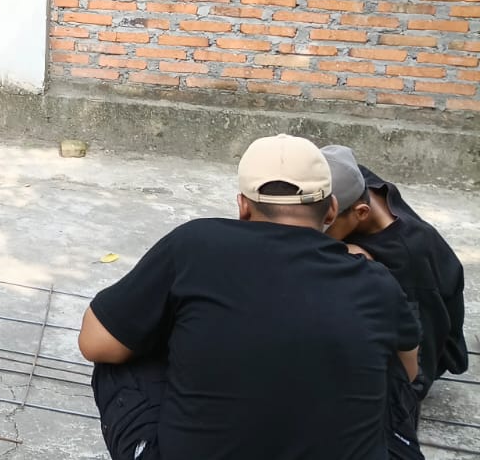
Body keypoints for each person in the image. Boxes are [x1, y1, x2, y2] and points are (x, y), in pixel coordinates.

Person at [80, 134, 421, 460]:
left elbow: (94, 342)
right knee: (385, 361)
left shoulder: (195, 245)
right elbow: (406, 373)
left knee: (123, 341)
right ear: (331, 210)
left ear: (243, 206)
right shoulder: (377, 281)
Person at [322, 148, 469, 417]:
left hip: (429, 344)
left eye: (324, 226)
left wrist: (358, 263)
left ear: (360, 212)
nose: (314, 232)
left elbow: (417, 371)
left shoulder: (408, 259)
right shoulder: (355, 182)